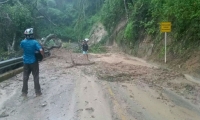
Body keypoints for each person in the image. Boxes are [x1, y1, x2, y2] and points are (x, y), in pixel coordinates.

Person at [20, 28, 44, 97]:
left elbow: (21, 47)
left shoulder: (23, 42)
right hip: (34, 62)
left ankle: (24, 93)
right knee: (35, 77)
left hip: (25, 62)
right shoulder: (35, 42)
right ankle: (38, 92)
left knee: (25, 77)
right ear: (32, 35)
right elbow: (40, 50)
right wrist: (42, 56)